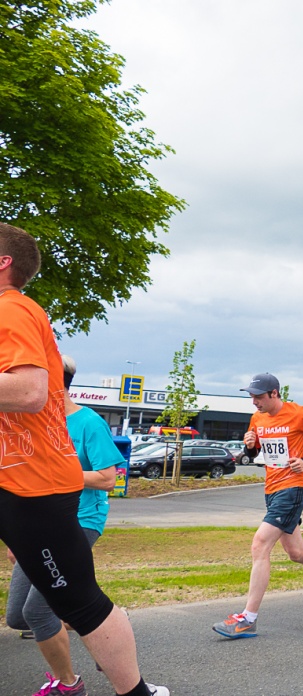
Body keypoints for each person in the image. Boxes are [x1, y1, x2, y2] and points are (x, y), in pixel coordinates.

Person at [0, 223, 168, 696]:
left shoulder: (10, 308)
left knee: (78, 604)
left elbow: (30, 391)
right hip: (16, 480)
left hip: (32, 485)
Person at [6, 355, 123, 696]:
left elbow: (107, 479)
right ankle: (111, 623)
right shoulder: (34, 424)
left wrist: (61, 474)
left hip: (81, 521)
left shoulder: (88, 423)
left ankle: (68, 685)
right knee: (18, 617)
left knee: (37, 610)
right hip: (36, 524)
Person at [213, 373, 303, 639]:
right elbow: (256, 453)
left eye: (259, 396)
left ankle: (248, 619)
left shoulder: (298, 414)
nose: (254, 402)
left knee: (260, 544)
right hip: (272, 488)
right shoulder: (258, 417)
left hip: (294, 486)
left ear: (274, 393)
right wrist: (250, 446)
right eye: (252, 396)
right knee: (297, 553)